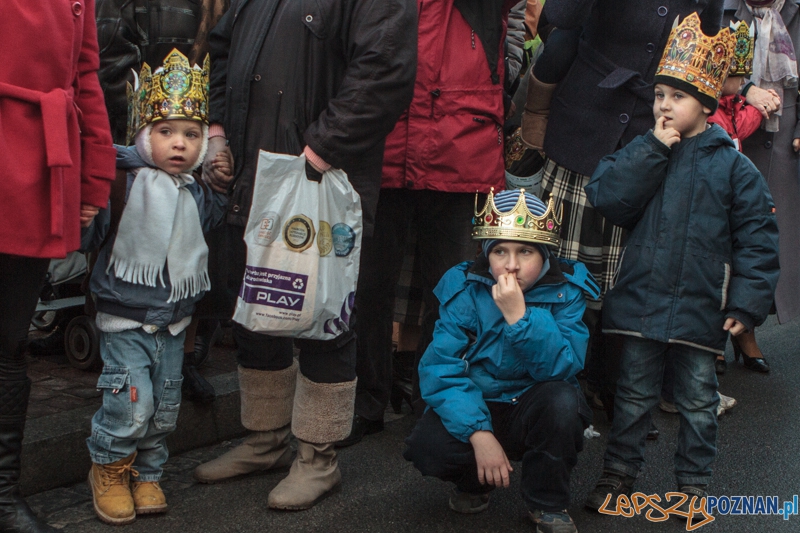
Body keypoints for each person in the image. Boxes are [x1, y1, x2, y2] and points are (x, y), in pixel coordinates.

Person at [191, 0, 417, 511]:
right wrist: (218, 133)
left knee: (325, 316)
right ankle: (265, 440)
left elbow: (385, 71)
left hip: (325, 177)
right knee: (256, 307)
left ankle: (318, 457)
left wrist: (318, 151)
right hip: (255, 173)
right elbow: (222, 52)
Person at [583, 14, 780, 511]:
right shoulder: (642, 149)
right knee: (631, 399)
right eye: (659, 96)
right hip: (641, 304)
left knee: (698, 402)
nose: (665, 106)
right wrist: (651, 148)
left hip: (700, 310)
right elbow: (607, 197)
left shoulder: (735, 167)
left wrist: (747, 302)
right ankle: (618, 476)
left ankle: (692, 487)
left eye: (678, 97)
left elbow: (757, 238)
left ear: (706, 106)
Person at [344, 0, 524, 447]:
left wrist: (506, 64)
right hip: (385, 139)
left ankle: (435, 401)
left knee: (450, 294)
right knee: (366, 286)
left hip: (460, 143)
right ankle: (367, 399)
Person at [83, 50, 232, 526]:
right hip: (124, 316)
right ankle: (108, 468)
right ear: (144, 135)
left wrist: (221, 190)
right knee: (130, 402)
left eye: (191, 134)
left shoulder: (196, 190)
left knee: (164, 406)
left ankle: (148, 474)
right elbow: (90, 234)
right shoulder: (121, 182)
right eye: (165, 131)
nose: (179, 144)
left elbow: (206, 229)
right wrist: (84, 200)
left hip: (173, 321)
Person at [404, 188, 599, 533]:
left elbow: (562, 368)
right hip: (479, 401)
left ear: (545, 255)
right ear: (485, 254)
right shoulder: (465, 287)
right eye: (500, 251)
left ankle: (547, 503)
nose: (511, 265)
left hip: (532, 404)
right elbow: (441, 369)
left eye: (525, 251)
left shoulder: (566, 291)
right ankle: (476, 482)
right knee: (427, 447)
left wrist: (520, 318)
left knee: (563, 403)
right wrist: (479, 433)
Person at [0, 1, 116, 531]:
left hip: (35, 167)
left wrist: (94, 175)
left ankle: (1, 496)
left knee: (7, 338)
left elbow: (86, 76)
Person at [727, 0, 800, 373]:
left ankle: (747, 328)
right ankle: (707, 339)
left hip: (784, 139)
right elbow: (700, 67)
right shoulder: (722, 9)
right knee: (721, 238)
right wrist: (747, 90)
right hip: (730, 132)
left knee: (766, 239)